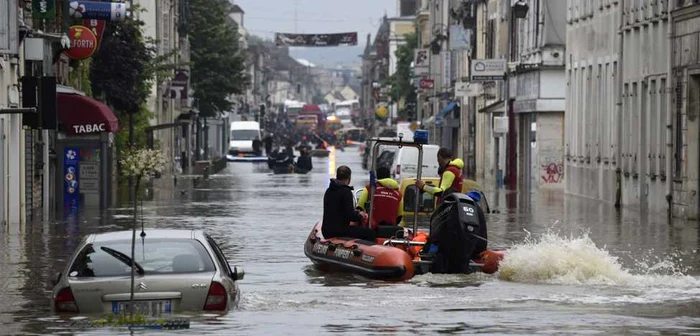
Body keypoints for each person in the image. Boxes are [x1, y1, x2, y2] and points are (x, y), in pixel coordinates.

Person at [322, 166, 376, 241]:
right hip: (339, 230)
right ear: (349, 178)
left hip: (326, 230)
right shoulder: (346, 192)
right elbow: (351, 216)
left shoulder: (329, 190)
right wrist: (360, 215)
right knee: (369, 233)